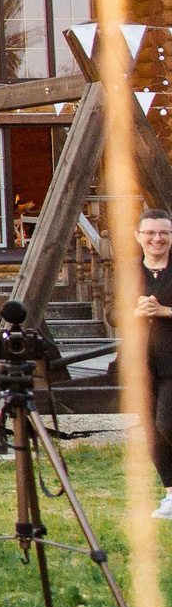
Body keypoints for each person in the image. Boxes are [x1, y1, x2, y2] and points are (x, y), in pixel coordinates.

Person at [135, 209, 172, 520]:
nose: (156, 238)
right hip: (142, 364)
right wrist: (134, 312)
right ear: (139, 237)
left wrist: (165, 311)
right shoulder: (130, 271)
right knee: (152, 431)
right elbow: (112, 313)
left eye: (163, 233)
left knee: (167, 424)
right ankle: (171, 494)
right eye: (150, 233)